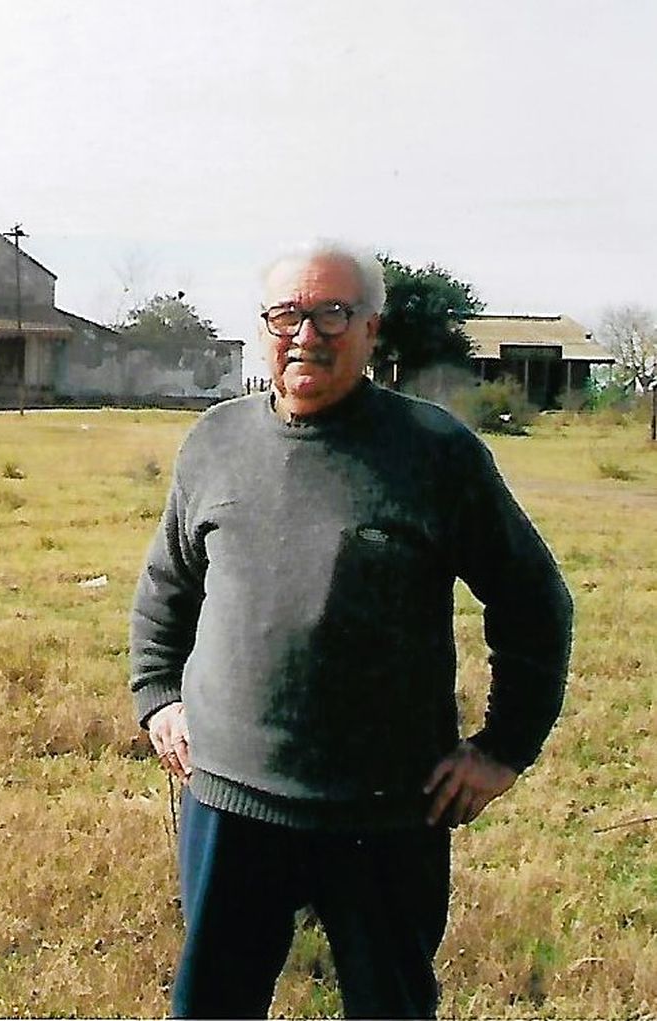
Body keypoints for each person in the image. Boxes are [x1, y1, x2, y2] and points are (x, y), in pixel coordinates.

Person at [128, 241, 573, 1019]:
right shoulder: (215, 443)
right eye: (287, 314)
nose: (307, 333)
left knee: (391, 1004)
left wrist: (505, 747)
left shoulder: (435, 452)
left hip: (388, 807)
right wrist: (159, 692)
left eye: (332, 312)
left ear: (372, 329)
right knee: (212, 1003)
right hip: (231, 799)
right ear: (265, 326)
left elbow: (533, 600)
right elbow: (167, 586)